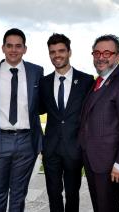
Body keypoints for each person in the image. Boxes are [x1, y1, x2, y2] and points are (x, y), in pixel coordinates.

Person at [0, 28, 44, 212]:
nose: (13, 50)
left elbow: (41, 105)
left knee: (19, 194)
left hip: (26, 141)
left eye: (18, 46)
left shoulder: (36, 72)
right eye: (9, 45)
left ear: (25, 49)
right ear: (3, 48)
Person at [78, 34, 119, 212]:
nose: (101, 57)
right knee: (100, 206)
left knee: (108, 207)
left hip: (110, 164)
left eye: (107, 53)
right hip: (93, 160)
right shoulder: (97, 82)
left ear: (118, 56)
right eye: (97, 53)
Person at [39, 33, 94, 212]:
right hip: (51, 149)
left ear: (69, 52)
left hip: (75, 148)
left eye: (61, 50)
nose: (57, 55)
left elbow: (92, 114)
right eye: (52, 51)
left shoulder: (86, 81)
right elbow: (36, 111)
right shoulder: (44, 82)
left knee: (72, 194)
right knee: (53, 193)